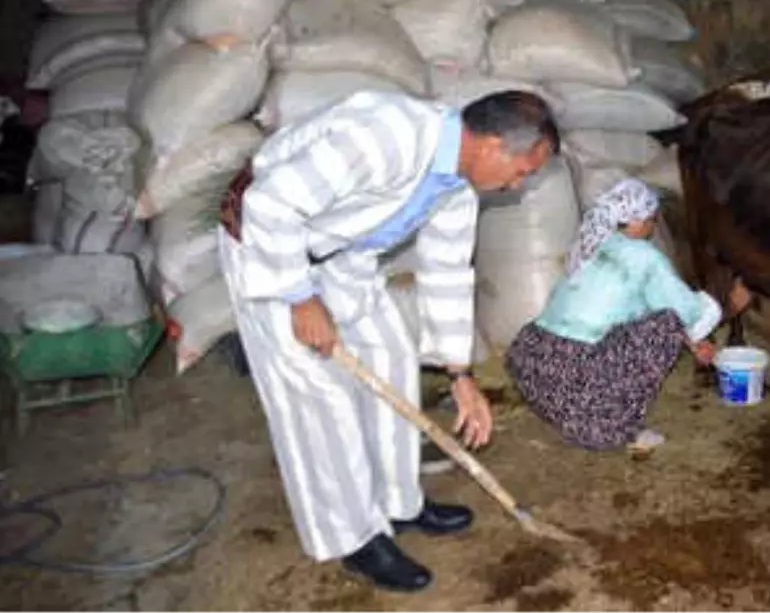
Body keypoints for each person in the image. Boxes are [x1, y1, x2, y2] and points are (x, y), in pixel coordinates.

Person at [216, 88, 558, 593]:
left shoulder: (458, 185)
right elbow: (269, 203)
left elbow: (444, 272)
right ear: (489, 144)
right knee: (321, 397)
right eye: (521, 171)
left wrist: (458, 374)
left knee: (392, 354)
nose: (516, 186)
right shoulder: (386, 136)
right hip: (270, 249)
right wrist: (298, 298)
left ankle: (400, 504)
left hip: (339, 251)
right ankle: (353, 537)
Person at [505, 178, 723, 453]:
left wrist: (691, 342)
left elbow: (628, 306)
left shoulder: (591, 242)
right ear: (635, 222)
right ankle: (615, 428)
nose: (652, 227)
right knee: (666, 326)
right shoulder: (644, 255)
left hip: (533, 364)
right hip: (570, 371)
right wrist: (721, 307)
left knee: (650, 323)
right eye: (651, 220)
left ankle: (567, 412)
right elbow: (686, 311)